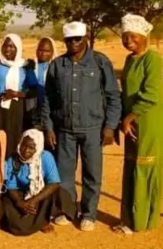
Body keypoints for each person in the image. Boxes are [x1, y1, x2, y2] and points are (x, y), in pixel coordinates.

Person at [41, 21, 121, 232]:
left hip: (93, 129)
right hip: (64, 130)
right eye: (69, 40)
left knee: (92, 174)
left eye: (77, 39)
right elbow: (48, 99)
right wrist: (48, 127)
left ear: (85, 38)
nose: (73, 43)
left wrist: (110, 127)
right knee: (65, 174)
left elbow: (113, 96)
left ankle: (88, 213)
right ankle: (66, 211)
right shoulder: (58, 65)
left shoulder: (99, 62)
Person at [118, 14, 163, 235]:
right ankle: (128, 218)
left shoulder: (153, 59)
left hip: (149, 122)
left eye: (132, 36)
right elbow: (126, 93)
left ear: (144, 36)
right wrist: (123, 118)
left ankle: (142, 221)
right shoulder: (130, 60)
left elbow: (152, 94)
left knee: (145, 168)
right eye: (124, 36)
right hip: (131, 123)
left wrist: (130, 117)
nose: (128, 41)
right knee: (131, 167)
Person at [2, 130, 72, 236]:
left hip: (40, 193)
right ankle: (36, 221)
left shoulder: (46, 157)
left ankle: (42, 220)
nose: (25, 151)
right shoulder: (13, 159)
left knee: (61, 194)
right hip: (20, 194)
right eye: (23, 146)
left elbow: (54, 183)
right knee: (13, 216)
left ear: (38, 148)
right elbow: (11, 185)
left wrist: (33, 200)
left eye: (31, 148)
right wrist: (19, 202)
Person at [0, 34, 37, 156]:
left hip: (17, 107)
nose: (8, 49)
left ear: (18, 48)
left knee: (15, 136)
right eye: (6, 45)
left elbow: (34, 91)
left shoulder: (26, 66)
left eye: (12, 46)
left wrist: (16, 93)